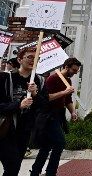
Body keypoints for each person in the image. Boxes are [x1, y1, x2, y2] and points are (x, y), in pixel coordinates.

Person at [0, 47, 48, 175]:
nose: (33, 60)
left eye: (36, 58)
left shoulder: (40, 80)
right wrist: (18, 105)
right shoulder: (5, 78)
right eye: (30, 57)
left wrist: (35, 94)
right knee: (12, 167)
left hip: (25, 130)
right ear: (19, 59)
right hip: (6, 129)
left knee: (14, 168)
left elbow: (44, 106)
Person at [30, 57, 81, 176]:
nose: (75, 73)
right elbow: (47, 98)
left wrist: (73, 112)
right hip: (48, 115)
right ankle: (50, 172)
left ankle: (35, 171)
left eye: (77, 71)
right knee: (60, 143)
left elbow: (67, 100)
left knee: (46, 146)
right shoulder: (52, 79)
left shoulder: (67, 81)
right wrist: (65, 92)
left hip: (58, 114)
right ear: (66, 67)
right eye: (74, 70)